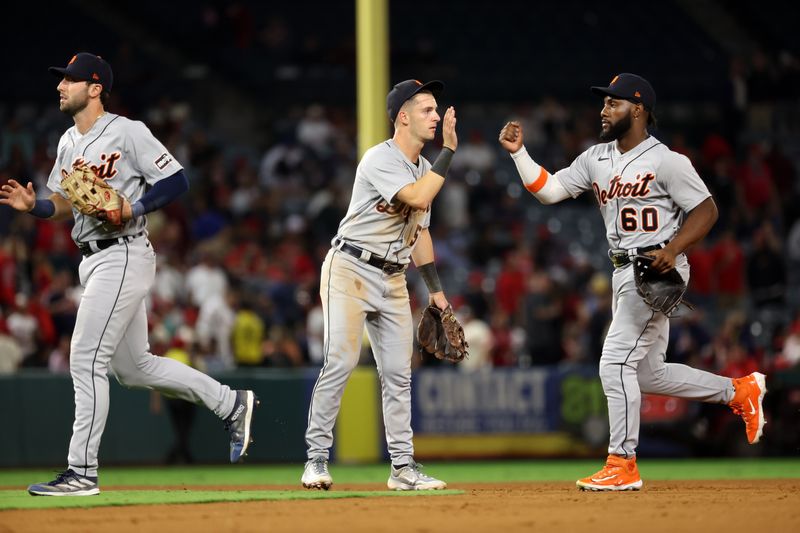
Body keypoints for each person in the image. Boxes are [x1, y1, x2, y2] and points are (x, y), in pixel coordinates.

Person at [0, 53, 258, 496]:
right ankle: (231, 403)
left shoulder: (127, 131)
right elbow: (64, 203)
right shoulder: (66, 142)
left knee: (85, 357)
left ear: (95, 88)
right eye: (61, 81)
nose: (61, 87)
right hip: (93, 257)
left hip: (123, 252)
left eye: (70, 81)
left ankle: (82, 471)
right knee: (135, 368)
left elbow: (176, 180)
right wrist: (36, 207)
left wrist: (135, 208)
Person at [499, 73, 767, 491]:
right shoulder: (595, 157)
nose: (603, 110)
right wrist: (520, 155)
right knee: (647, 374)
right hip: (623, 269)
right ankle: (739, 392)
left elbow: (707, 211)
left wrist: (675, 249)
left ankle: (622, 461)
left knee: (614, 362)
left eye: (614, 103)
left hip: (658, 267)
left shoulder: (668, 161)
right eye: (604, 103)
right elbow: (550, 191)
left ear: (638, 109)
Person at [301, 79, 457, 491]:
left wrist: (436, 292)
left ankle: (403, 468)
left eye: (436, 110)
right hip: (350, 268)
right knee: (340, 361)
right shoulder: (379, 158)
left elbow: (419, 231)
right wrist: (450, 150)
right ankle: (315, 459)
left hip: (392, 278)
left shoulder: (425, 169)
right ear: (403, 116)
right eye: (427, 109)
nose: (436, 117)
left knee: (398, 375)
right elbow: (418, 198)